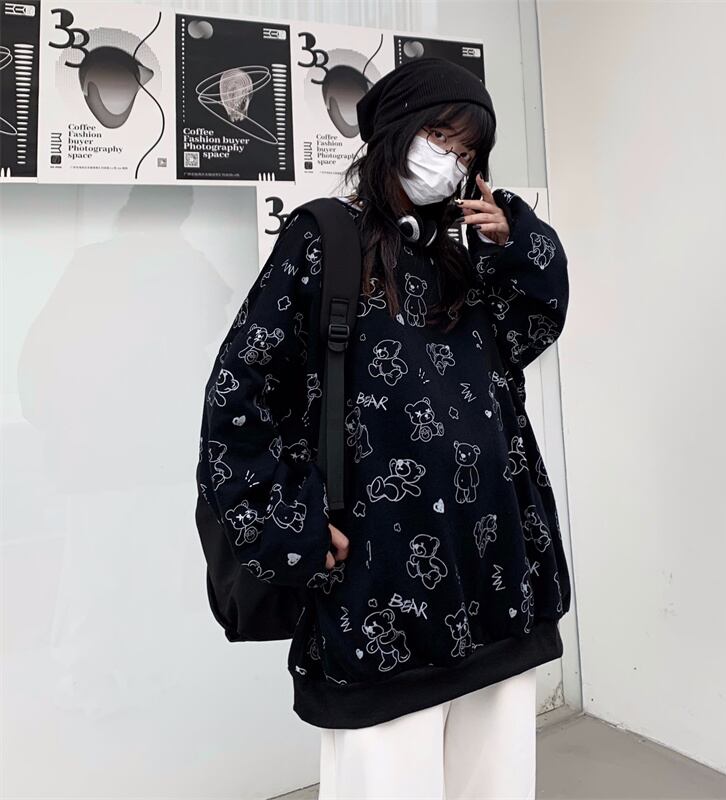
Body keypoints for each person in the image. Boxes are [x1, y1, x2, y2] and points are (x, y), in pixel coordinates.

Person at [197, 57, 571, 799]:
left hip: (496, 583)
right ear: (396, 132)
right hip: (378, 595)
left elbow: (532, 328)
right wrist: (294, 526)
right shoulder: (324, 241)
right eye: (440, 137)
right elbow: (237, 402)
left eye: (467, 151)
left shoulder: (463, 255)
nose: (451, 162)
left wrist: (518, 242)